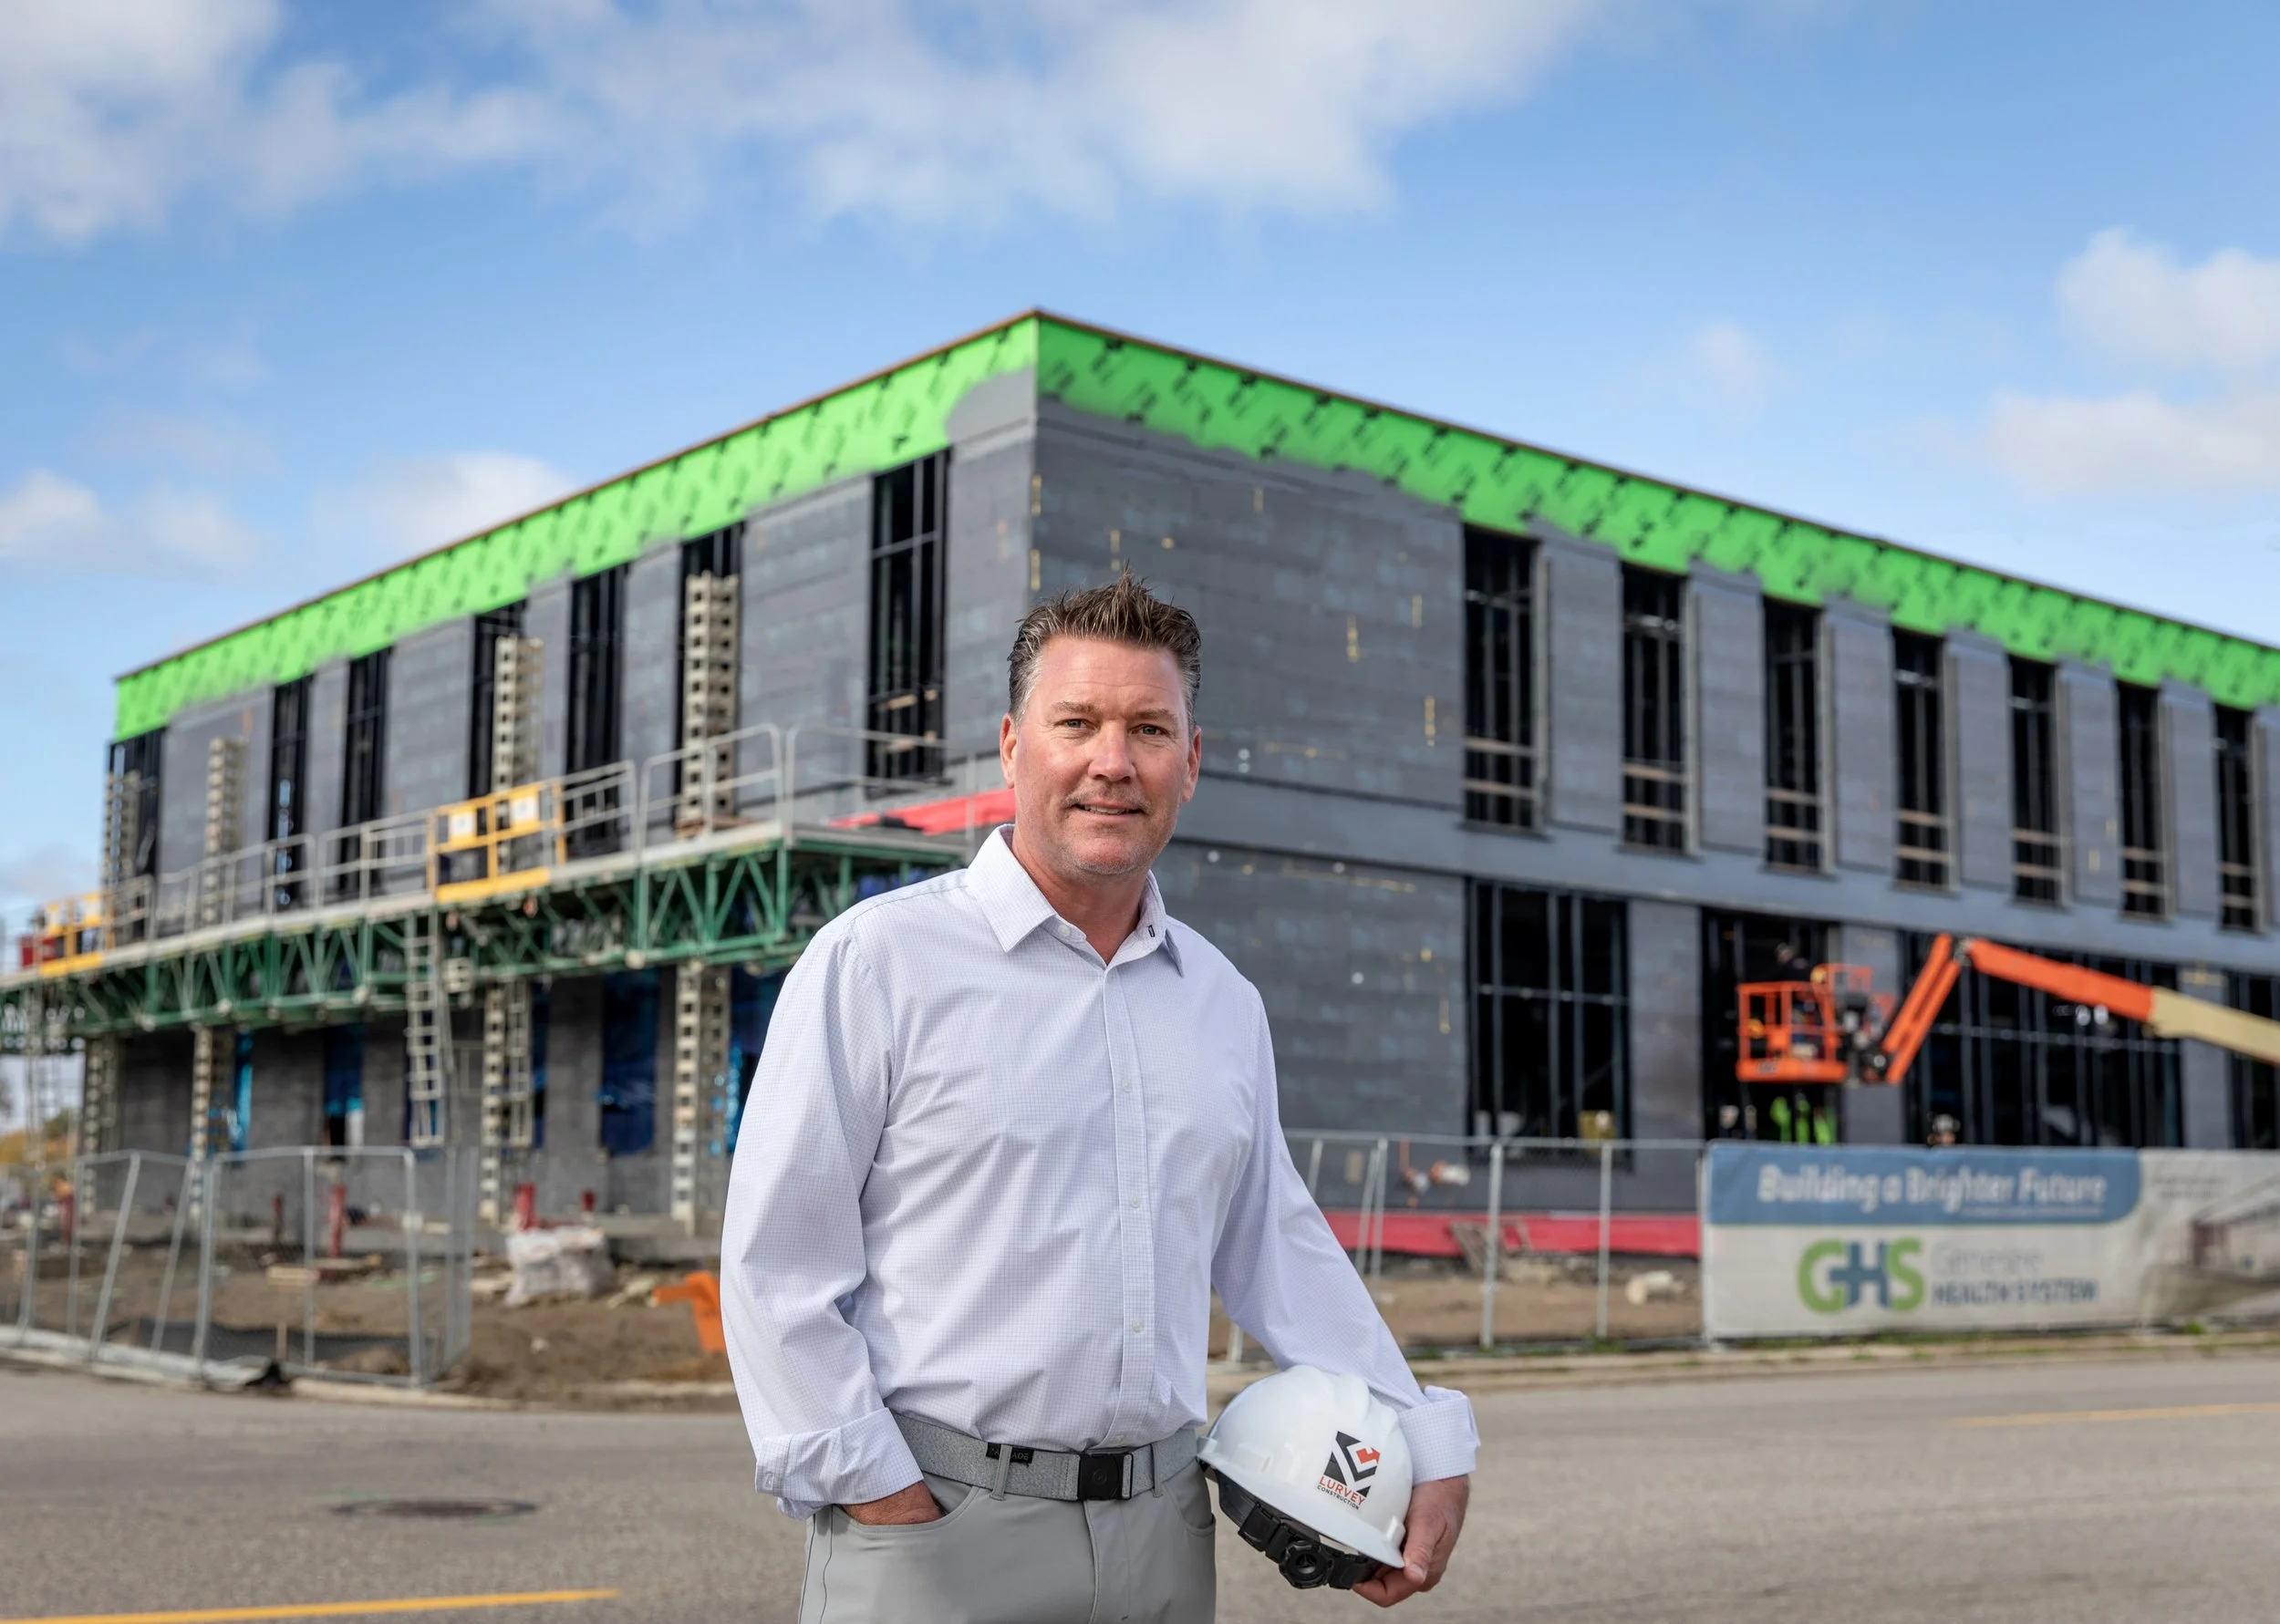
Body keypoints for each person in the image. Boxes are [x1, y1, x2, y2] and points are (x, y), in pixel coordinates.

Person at [721, 576, 1477, 1622]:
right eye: (1075, 721)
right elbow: (777, 1265)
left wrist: (1418, 1432)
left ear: (1191, 761)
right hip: (936, 1530)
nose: (1111, 761)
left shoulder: (1221, 999)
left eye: (1149, 728)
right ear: (1013, 746)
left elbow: (1273, 1244)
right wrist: (882, 1494)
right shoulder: (877, 961)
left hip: (1162, 1538)